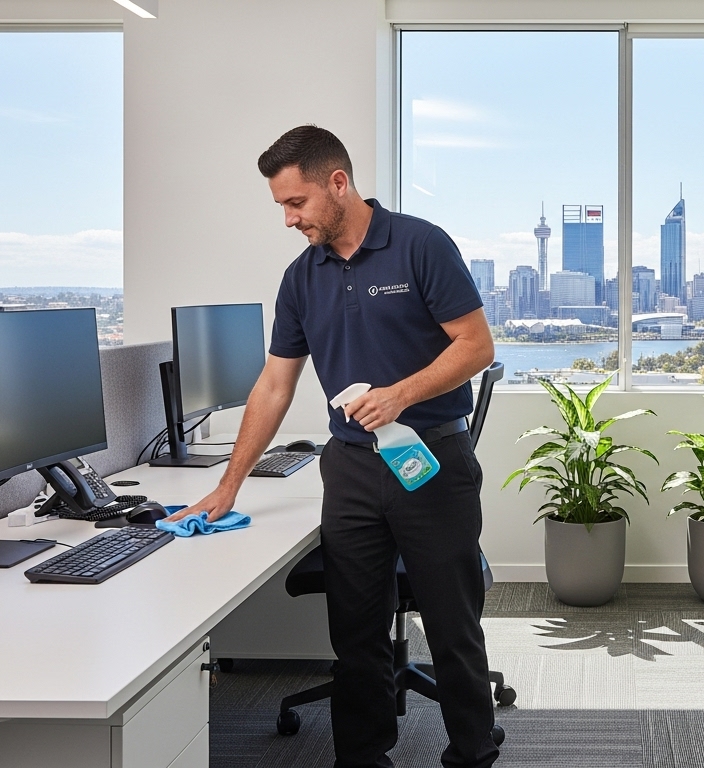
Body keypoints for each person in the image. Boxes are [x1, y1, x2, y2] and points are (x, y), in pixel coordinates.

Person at [170, 125, 499, 768]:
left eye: (297, 203)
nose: (289, 219)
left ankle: (471, 750)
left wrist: (400, 394)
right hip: (349, 468)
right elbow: (273, 385)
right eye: (281, 207)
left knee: (452, 625)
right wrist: (229, 484)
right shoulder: (302, 278)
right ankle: (363, 756)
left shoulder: (420, 246)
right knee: (355, 634)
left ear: (338, 183)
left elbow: (477, 347)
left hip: (430, 461)